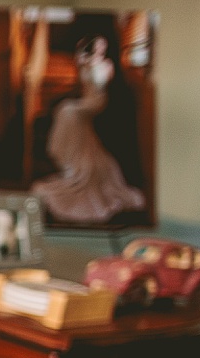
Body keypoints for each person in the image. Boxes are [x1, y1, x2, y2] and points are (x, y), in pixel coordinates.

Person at [30, 34, 146, 225]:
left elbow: (100, 86)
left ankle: (69, 155)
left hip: (96, 101)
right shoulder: (86, 61)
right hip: (86, 99)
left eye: (104, 46)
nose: (101, 49)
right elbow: (80, 58)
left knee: (68, 111)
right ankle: (70, 158)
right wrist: (86, 58)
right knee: (65, 109)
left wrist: (94, 66)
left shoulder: (106, 64)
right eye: (98, 46)